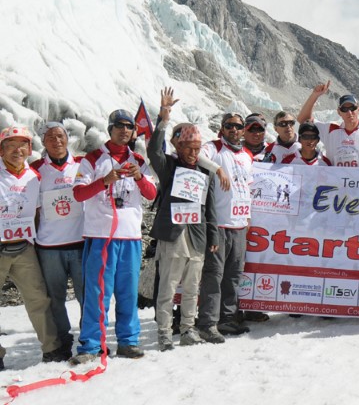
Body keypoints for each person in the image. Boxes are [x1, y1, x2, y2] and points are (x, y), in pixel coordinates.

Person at [70, 109, 157, 364]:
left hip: (130, 237)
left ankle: (128, 341)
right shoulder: (93, 158)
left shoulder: (137, 159)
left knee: (128, 293)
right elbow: (78, 194)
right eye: (119, 126)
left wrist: (139, 177)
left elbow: (151, 194)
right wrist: (104, 181)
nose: (124, 130)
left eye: (129, 127)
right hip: (101, 237)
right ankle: (91, 344)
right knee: (98, 293)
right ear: (110, 129)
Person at [148, 88, 221, 350]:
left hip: (197, 237)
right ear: (179, 147)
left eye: (197, 149)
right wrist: (163, 118)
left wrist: (213, 235)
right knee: (168, 288)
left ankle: (188, 329)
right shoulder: (168, 167)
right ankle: (164, 333)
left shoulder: (204, 172)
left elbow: (209, 207)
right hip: (173, 236)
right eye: (189, 148)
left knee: (192, 288)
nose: (193, 153)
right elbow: (153, 151)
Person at [0, 126, 66, 364]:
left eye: (22, 145)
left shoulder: (34, 176)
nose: (17, 150)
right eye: (10, 145)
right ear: (1, 150)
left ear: (29, 149)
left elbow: (38, 212)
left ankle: (51, 348)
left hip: (24, 248)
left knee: (38, 298)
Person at [31, 122, 84, 359]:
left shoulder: (83, 164)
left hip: (81, 243)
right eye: (51, 137)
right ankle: (63, 340)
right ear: (43, 142)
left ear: (67, 138)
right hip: (49, 246)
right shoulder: (35, 169)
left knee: (87, 296)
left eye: (60, 136)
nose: (57, 141)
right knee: (55, 299)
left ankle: (89, 338)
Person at [199, 113, 253, 336]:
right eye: (229, 126)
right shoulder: (214, 147)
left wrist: (248, 216)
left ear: (243, 130)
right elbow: (198, 157)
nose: (234, 129)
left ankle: (227, 318)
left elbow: (248, 187)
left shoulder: (247, 155)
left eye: (238, 126)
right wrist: (218, 169)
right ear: (222, 128)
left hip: (239, 224)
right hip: (219, 224)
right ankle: (208, 322)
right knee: (214, 275)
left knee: (233, 275)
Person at [297, 80, 359, 167]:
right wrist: (315, 95)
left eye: (352, 108)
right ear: (339, 112)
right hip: (334, 176)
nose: (349, 112)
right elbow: (303, 120)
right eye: (344, 109)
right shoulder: (330, 130)